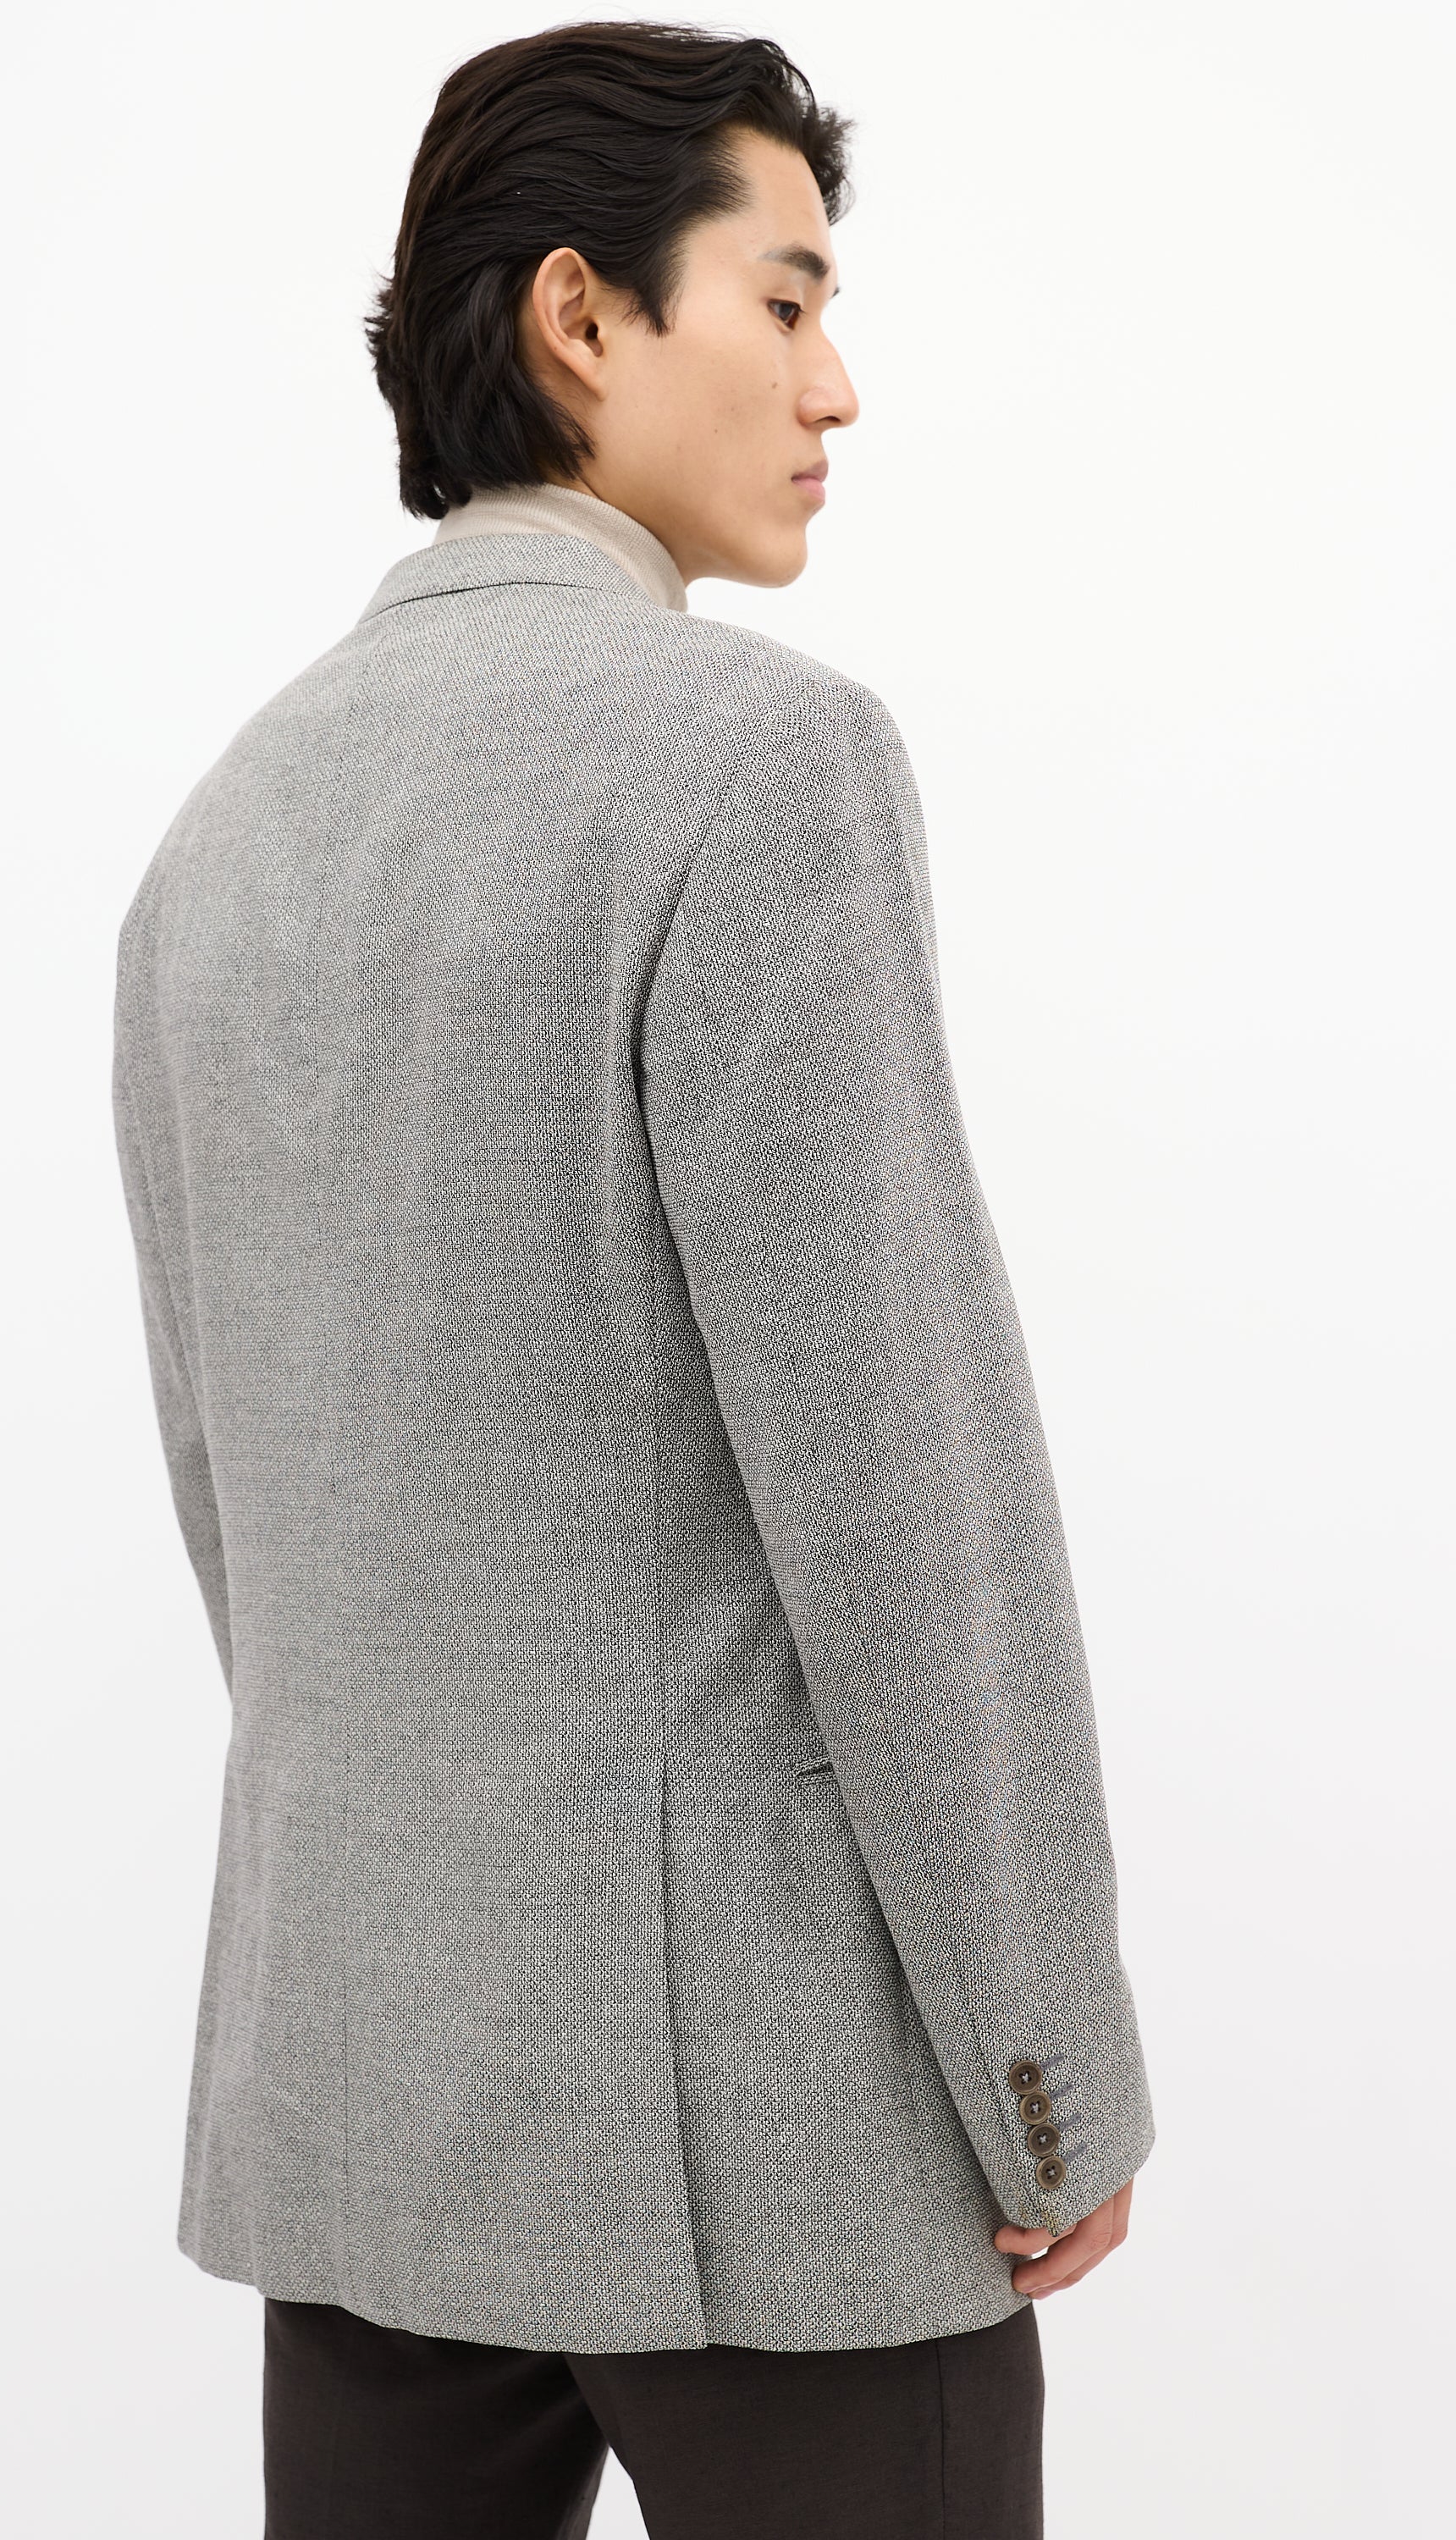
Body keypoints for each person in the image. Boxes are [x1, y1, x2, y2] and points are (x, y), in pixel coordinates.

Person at [110, 20, 1154, 2537]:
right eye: (783, 302)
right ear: (580, 316)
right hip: (768, 2144)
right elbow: (901, 1493)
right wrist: (1046, 2072)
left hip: (360, 2093)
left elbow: (238, 1502)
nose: (837, 385)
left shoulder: (217, 834)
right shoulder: (751, 765)